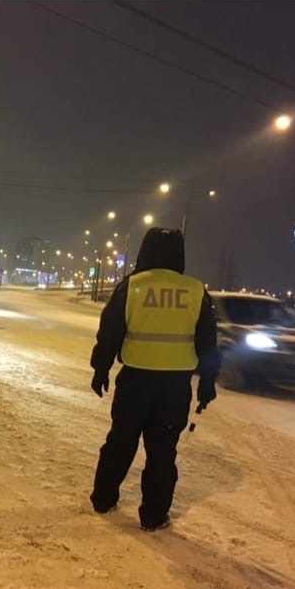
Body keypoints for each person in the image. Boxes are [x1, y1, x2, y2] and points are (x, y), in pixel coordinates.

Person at [88, 227, 220, 532]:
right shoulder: (195, 291)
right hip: (175, 388)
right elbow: (208, 345)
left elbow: (110, 333)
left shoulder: (131, 286)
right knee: (162, 453)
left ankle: (103, 499)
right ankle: (154, 516)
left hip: (135, 382)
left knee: (120, 442)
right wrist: (208, 382)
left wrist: (100, 369)